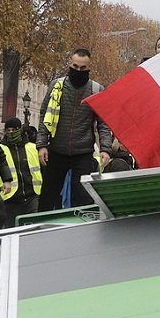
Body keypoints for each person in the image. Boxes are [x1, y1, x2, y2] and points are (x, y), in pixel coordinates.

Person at [37, 48, 113, 211]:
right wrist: (42, 144)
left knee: (83, 199)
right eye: (75, 66)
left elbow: (103, 123)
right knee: (47, 198)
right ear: (70, 64)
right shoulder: (57, 86)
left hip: (83, 153)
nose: (78, 71)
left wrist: (105, 149)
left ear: (89, 68)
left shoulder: (97, 89)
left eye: (82, 68)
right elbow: (45, 115)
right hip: (56, 150)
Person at [0, 118, 42, 227]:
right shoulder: (0, 149)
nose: (10, 133)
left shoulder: (32, 148)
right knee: (12, 231)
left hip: (32, 196)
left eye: (13, 129)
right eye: (7, 130)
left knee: (33, 229)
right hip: (10, 198)